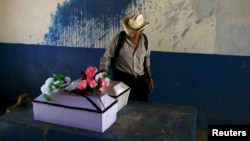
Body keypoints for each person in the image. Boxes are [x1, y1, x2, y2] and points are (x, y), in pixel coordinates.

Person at [99, 13, 154, 101]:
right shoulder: (118, 39)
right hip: (123, 81)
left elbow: (147, 59)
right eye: (129, 31)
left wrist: (150, 78)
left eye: (134, 32)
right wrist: (104, 73)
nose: (130, 35)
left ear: (141, 31)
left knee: (142, 109)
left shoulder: (145, 41)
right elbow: (106, 57)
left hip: (141, 82)